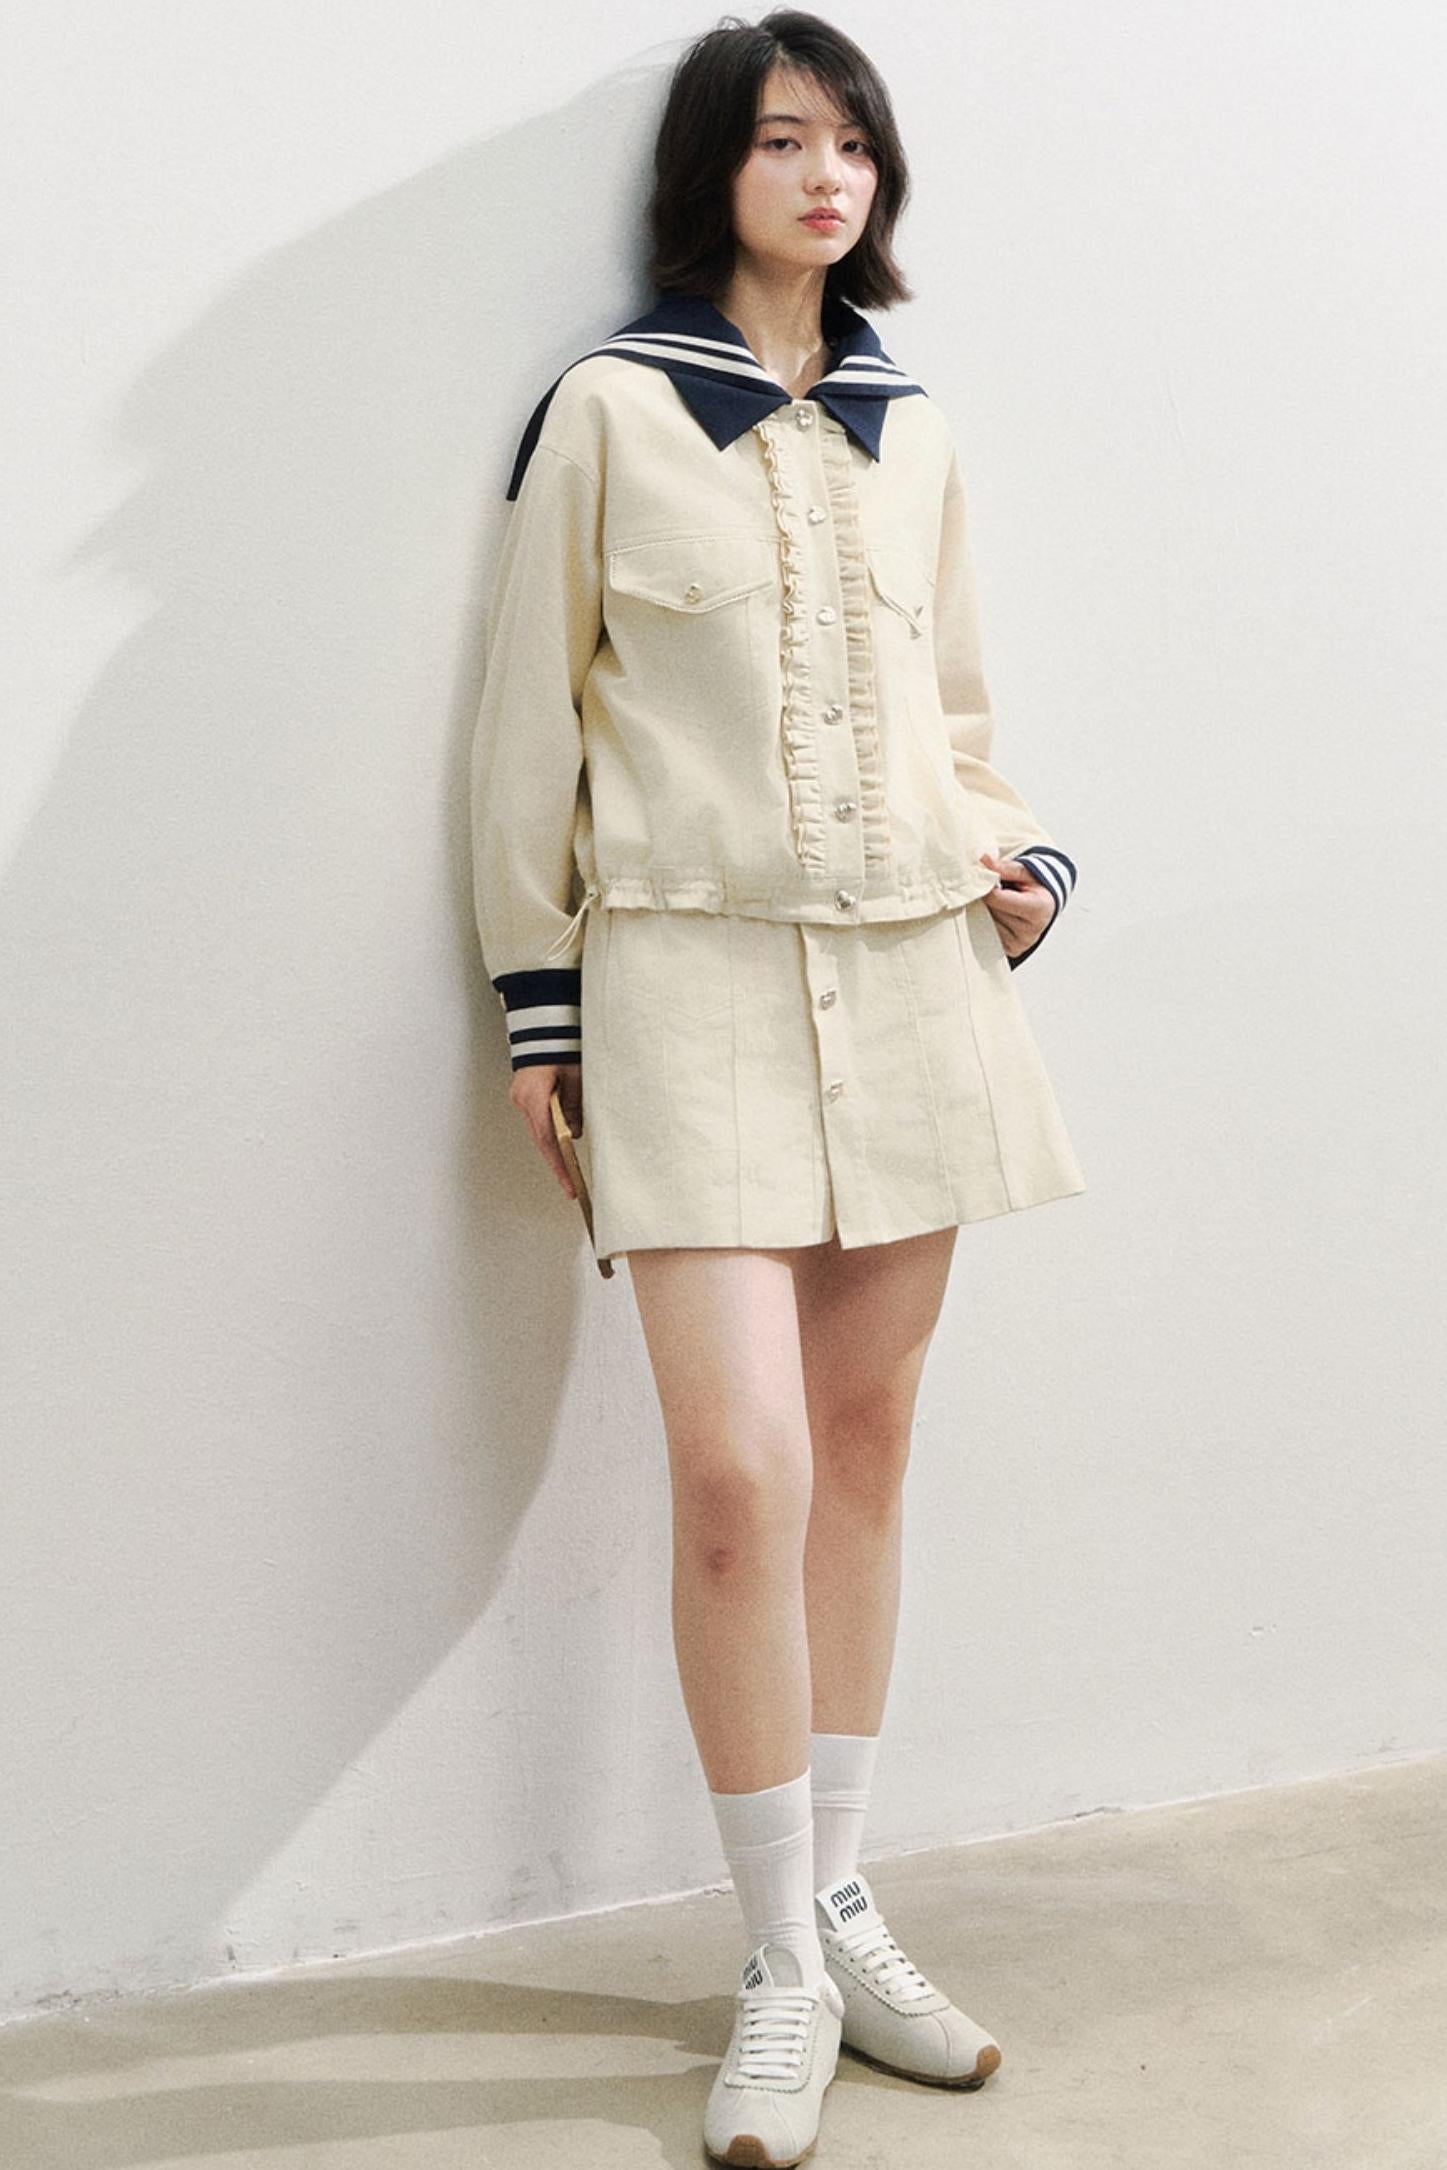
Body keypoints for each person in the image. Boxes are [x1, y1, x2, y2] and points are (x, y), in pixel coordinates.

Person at [470, 11, 1087, 2164]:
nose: (827, 176)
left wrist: (1021, 865)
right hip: (687, 984)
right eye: (781, 141)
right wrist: (538, 1005)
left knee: (866, 1445)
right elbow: (527, 731)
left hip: (914, 971)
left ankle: (839, 1903)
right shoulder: (610, 411)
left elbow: (959, 714)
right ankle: (772, 1962)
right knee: (737, 1468)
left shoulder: (913, 428)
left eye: (853, 144)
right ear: (709, 175)